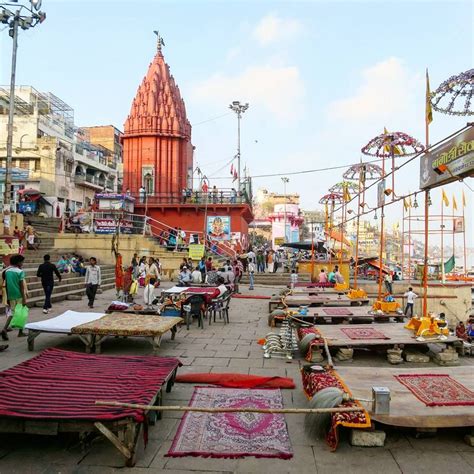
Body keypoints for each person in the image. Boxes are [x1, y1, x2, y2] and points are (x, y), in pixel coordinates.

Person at [2, 254, 27, 340]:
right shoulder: (20, 272)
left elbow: (7, 285)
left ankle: (4, 329)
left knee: (12, 313)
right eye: (22, 262)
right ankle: (20, 332)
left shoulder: (7, 271)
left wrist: (8, 298)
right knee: (22, 313)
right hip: (19, 295)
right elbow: (21, 286)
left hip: (11, 295)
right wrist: (24, 298)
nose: (23, 263)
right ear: (18, 262)